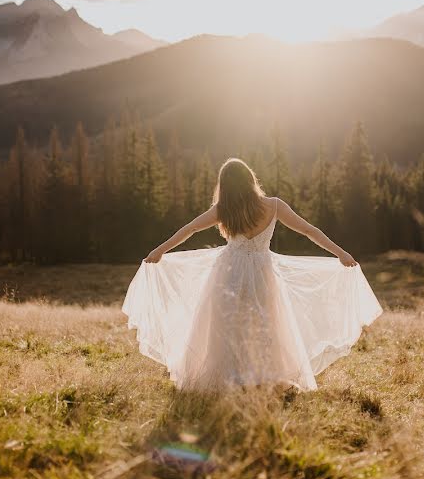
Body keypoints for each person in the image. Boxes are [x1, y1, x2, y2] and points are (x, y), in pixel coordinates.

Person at [122, 157, 382, 391]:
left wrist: (159, 250)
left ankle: (227, 379)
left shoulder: (224, 209)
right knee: (265, 325)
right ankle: (262, 377)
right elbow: (309, 230)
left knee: (225, 327)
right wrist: (340, 253)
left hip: (228, 272)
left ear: (225, 185)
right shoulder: (273, 206)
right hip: (262, 272)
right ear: (250, 180)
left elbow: (189, 229)